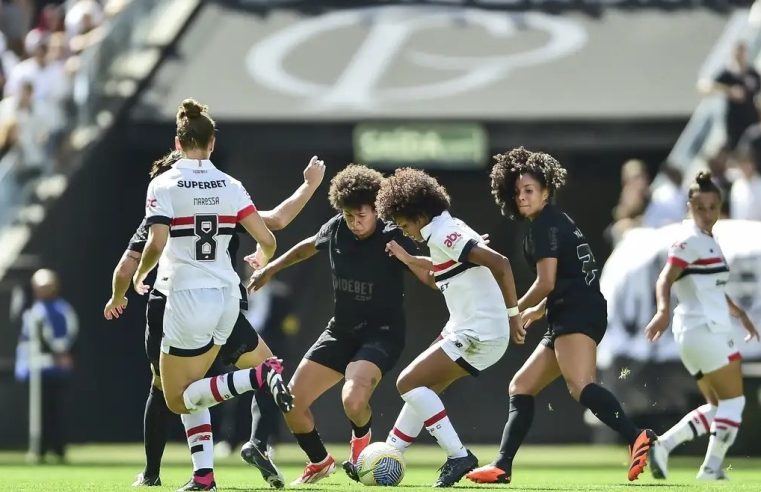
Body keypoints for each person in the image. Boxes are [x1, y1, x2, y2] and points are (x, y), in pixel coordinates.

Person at [104, 149, 325, 488]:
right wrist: (309, 186)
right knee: (257, 367)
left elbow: (126, 266)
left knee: (170, 393)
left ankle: (155, 474)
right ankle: (250, 447)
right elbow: (277, 222)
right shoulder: (221, 201)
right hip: (223, 301)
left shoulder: (158, 216)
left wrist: (118, 296)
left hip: (174, 305)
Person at [131, 98, 294, 492]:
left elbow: (155, 242)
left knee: (177, 398)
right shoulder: (230, 184)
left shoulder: (164, 182)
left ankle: (259, 374)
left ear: (177, 141)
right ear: (212, 144)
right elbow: (268, 237)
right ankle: (204, 476)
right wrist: (263, 257)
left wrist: (140, 273)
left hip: (185, 296)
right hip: (226, 296)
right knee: (197, 386)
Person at [466, 147, 656, 485]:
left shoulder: (544, 226)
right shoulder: (555, 220)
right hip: (571, 310)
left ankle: (636, 436)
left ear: (546, 192)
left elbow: (547, 281)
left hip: (576, 313)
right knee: (521, 386)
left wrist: (514, 311)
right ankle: (502, 466)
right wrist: (536, 311)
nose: (522, 198)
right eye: (517, 192)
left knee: (580, 386)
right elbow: (562, 280)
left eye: (529, 191)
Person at [249, 164, 432, 485]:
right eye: (349, 216)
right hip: (341, 331)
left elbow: (429, 274)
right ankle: (319, 461)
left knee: (353, 399)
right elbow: (306, 246)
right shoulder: (336, 228)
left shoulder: (392, 235)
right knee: (291, 403)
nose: (355, 222)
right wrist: (271, 268)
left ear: (376, 209)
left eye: (362, 216)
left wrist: (412, 259)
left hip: (382, 335)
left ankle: (361, 449)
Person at [369, 167, 521, 487]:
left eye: (404, 224)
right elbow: (438, 275)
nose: (404, 231)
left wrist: (514, 313)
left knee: (407, 383)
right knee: (423, 390)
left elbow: (500, 263)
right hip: (471, 329)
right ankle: (389, 454)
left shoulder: (443, 233)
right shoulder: (440, 231)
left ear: (420, 213)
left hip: (479, 331)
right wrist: (407, 257)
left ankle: (458, 455)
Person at [644, 171, 759, 481]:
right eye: (700, 207)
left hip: (697, 332)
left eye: (712, 207)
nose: (707, 214)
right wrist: (663, 310)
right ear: (689, 207)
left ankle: (663, 445)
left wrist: (740, 314)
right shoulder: (689, 240)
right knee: (735, 403)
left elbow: (712, 288)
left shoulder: (709, 240)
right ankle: (710, 470)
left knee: (718, 406)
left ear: (719, 207)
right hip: (706, 329)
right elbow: (665, 278)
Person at [14, 269, 78, 463]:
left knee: (57, 411)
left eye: (47, 286)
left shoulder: (62, 309)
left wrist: (58, 352)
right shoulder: (31, 310)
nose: (43, 290)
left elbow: (69, 335)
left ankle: (58, 449)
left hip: (55, 371)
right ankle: (38, 449)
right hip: (33, 370)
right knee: (36, 414)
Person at [698, 42, 761, 150]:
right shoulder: (727, 74)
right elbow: (704, 86)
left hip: (751, 119)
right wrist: (729, 91)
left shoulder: (752, 73)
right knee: (735, 148)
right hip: (734, 121)